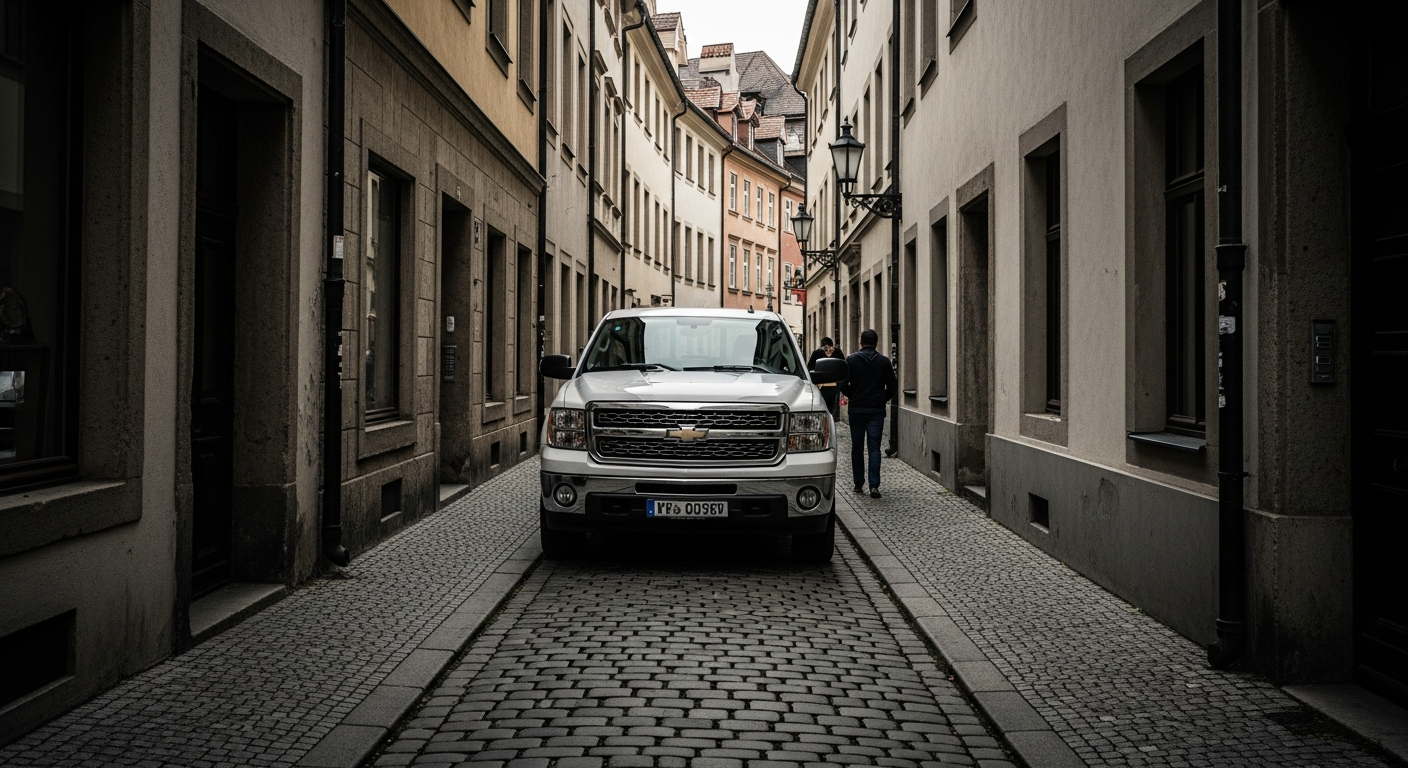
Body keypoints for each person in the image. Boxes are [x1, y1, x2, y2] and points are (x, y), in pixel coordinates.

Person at [840, 329, 896, 498]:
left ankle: (858, 484)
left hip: (857, 410)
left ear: (861, 342)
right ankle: (874, 485)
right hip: (876, 411)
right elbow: (892, 386)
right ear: (876, 343)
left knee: (857, 448)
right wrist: (881, 398)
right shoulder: (884, 362)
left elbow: (842, 384)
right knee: (874, 448)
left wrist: (854, 395)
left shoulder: (851, 360)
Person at [807, 337, 845, 419]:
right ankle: (831, 423)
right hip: (834, 386)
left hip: (821, 386)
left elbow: (810, 368)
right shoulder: (838, 353)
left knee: (822, 409)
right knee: (831, 410)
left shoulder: (817, 353)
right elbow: (843, 368)